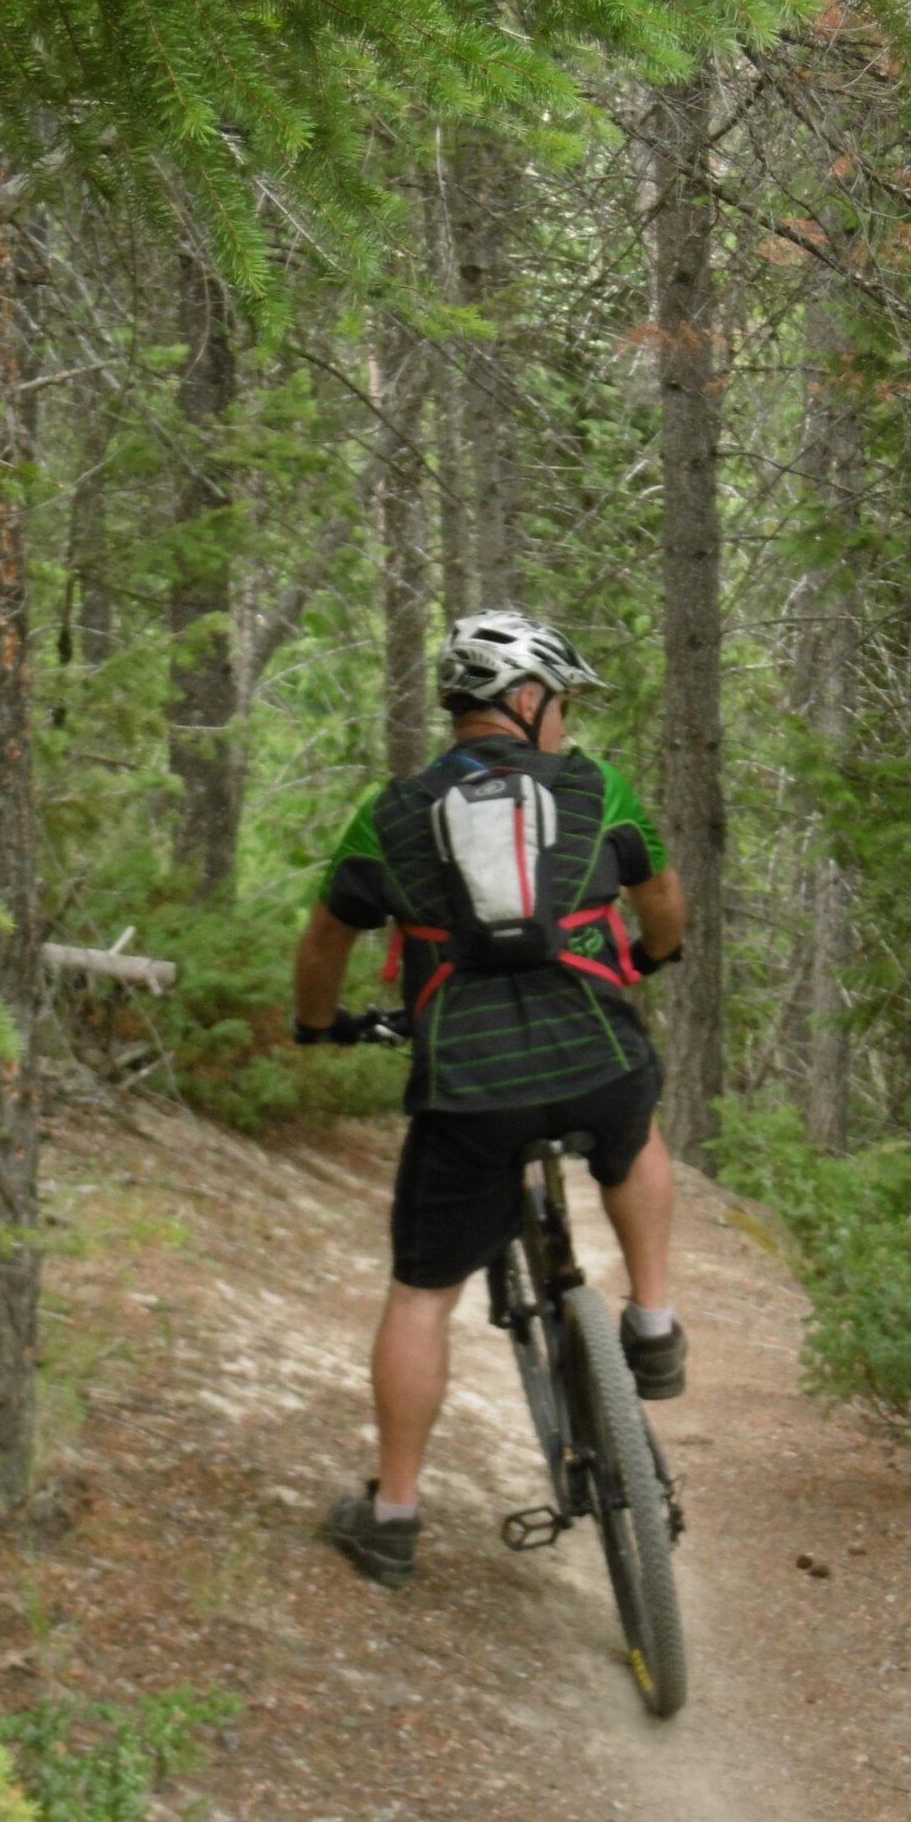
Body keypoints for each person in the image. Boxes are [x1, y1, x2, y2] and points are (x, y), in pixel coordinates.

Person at [291, 608, 689, 1590]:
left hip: (467, 1087)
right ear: (524, 700)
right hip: (591, 1056)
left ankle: (390, 1517)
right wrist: (650, 956)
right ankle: (651, 1321)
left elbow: (324, 944)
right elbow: (665, 899)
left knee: (422, 1294)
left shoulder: (391, 812)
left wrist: (319, 1026)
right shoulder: (595, 789)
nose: (566, 721)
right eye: (561, 702)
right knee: (633, 1130)